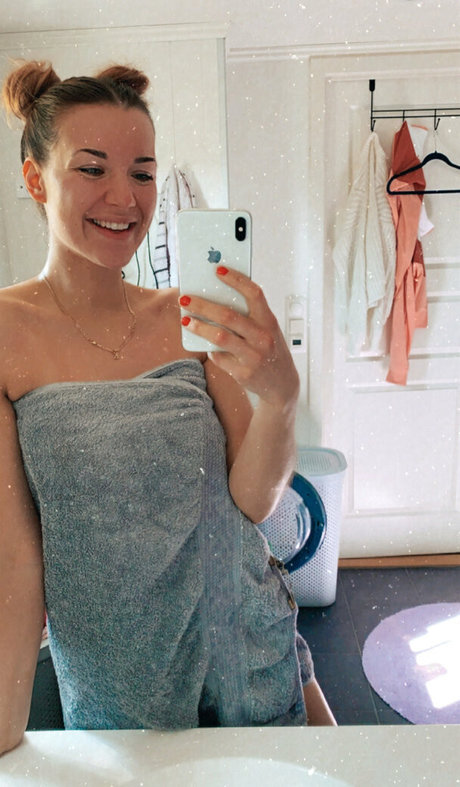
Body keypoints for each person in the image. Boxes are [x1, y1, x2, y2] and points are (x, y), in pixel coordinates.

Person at [0, 60, 336, 755]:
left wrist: (280, 399)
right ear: (35, 178)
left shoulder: (189, 315)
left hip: (245, 643)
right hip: (119, 681)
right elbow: (15, 558)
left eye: (143, 172)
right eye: (92, 168)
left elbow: (251, 502)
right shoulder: (8, 333)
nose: (124, 197)